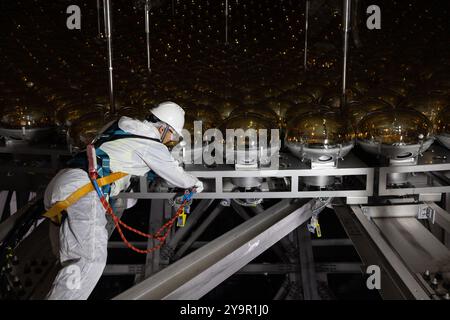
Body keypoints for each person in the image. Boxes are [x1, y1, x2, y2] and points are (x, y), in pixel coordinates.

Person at [43, 101, 203, 300]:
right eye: (171, 136)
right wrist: (195, 184)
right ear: (162, 128)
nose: (170, 142)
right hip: (83, 192)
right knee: (90, 261)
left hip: (62, 185)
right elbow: (175, 174)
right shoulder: (150, 144)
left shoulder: (119, 125)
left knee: (69, 266)